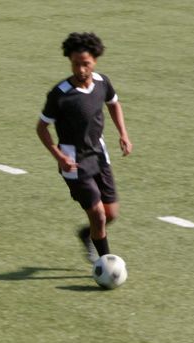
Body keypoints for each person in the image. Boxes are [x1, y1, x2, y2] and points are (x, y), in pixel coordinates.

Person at [35, 32, 132, 263]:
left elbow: (114, 104)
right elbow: (41, 128)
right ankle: (105, 262)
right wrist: (59, 156)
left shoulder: (102, 83)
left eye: (85, 64)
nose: (80, 70)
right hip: (73, 161)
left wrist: (123, 134)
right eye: (76, 64)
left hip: (99, 155)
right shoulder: (60, 95)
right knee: (98, 215)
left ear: (95, 61)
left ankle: (86, 234)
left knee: (111, 214)